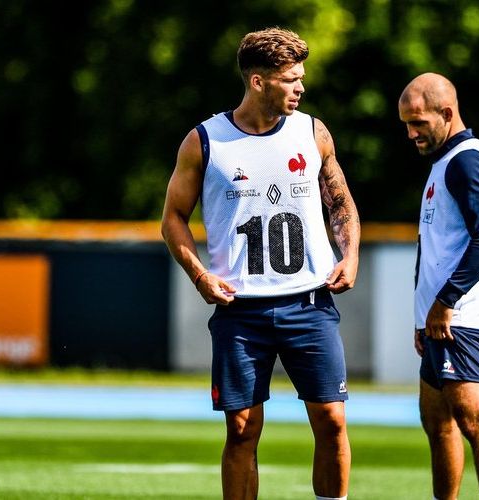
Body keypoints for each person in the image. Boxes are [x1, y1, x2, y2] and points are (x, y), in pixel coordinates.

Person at [161, 27, 360, 500]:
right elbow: (172, 219)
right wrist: (200, 274)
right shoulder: (205, 141)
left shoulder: (313, 132)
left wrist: (349, 254)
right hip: (242, 311)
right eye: (290, 79)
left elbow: (341, 202)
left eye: (301, 78)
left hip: (309, 303)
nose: (300, 87)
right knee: (242, 430)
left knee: (332, 421)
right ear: (258, 82)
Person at [398, 72, 479, 500]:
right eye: (406, 124)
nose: (411, 133)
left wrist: (445, 302)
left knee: (474, 418)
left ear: (447, 113)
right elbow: (436, 245)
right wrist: (421, 313)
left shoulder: (467, 161)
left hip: (456, 317)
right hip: (437, 319)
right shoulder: (444, 162)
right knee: (436, 420)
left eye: (419, 123)